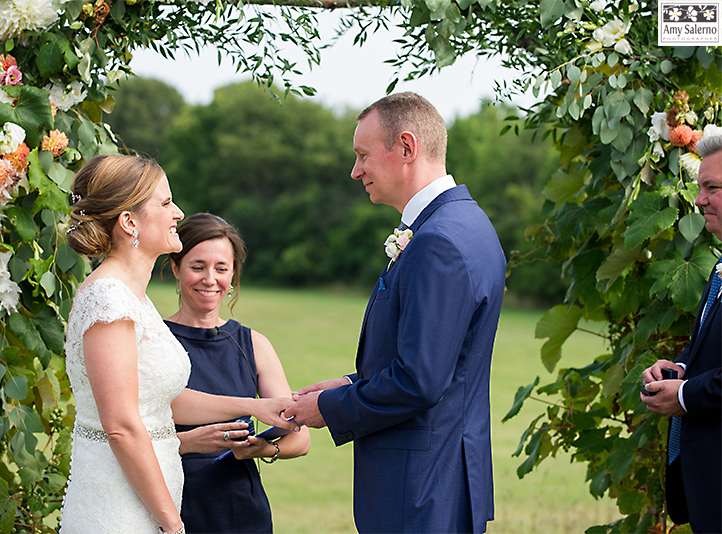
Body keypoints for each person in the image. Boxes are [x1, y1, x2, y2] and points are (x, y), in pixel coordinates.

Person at [284, 92, 506, 534]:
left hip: (420, 490)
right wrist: (353, 382)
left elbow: (418, 381)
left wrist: (330, 407)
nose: (355, 171)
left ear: (406, 148)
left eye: (363, 155)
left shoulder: (438, 240)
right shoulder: (468, 222)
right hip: (443, 476)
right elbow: (442, 361)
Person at [59, 155, 296, 534]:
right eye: (166, 202)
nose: (178, 213)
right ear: (129, 222)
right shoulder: (109, 299)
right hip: (122, 508)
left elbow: (158, 396)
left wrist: (257, 406)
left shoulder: (134, 298)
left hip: (147, 499)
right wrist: (171, 523)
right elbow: (121, 425)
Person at [164, 213, 311, 533]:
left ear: (233, 275)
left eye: (221, 268)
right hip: (169, 508)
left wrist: (264, 448)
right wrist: (186, 442)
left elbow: (300, 437)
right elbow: (125, 436)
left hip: (241, 512)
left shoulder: (254, 344)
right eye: (197, 266)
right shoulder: (154, 340)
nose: (210, 279)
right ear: (176, 268)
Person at [641, 133, 722, 534]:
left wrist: (686, 396)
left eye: (712, 188)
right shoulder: (719, 270)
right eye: (699, 187)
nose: (700, 200)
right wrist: (677, 368)